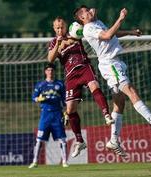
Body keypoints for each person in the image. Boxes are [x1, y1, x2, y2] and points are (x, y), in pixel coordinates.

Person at [74, 5, 151, 156]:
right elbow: (106, 36)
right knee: (131, 91)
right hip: (110, 63)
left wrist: (130, 32)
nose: (90, 11)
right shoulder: (88, 29)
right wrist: (120, 18)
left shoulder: (96, 23)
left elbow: (113, 34)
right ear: (82, 17)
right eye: (86, 11)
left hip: (115, 62)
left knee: (119, 103)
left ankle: (113, 140)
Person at [47, 16, 114, 158]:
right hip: (71, 76)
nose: (60, 29)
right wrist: (59, 44)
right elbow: (50, 59)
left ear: (66, 26)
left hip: (84, 67)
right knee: (70, 109)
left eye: (62, 26)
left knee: (94, 86)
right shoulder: (54, 42)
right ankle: (80, 141)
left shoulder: (74, 32)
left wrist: (91, 16)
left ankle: (106, 115)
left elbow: (84, 31)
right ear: (54, 29)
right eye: (57, 28)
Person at [28, 63, 69, 168]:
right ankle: (35, 161)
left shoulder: (60, 84)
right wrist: (39, 99)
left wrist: (66, 112)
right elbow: (33, 98)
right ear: (45, 72)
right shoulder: (40, 85)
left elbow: (65, 100)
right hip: (45, 115)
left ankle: (64, 161)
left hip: (57, 114)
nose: (50, 72)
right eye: (48, 70)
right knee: (39, 140)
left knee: (62, 139)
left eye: (52, 70)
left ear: (54, 72)